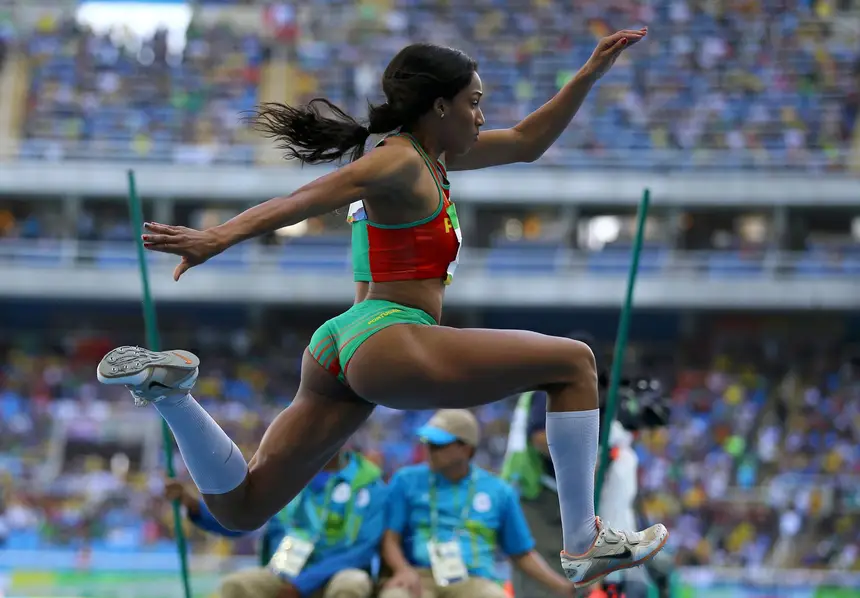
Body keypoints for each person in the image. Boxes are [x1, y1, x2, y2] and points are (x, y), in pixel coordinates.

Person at [96, 32, 668, 589]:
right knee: (574, 364)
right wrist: (217, 237)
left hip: (340, 345)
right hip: (390, 334)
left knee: (241, 509)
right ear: (438, 107)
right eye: (473, 104)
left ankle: (172, 394)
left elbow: (526, 141)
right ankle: (583, 542)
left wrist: (588, 75)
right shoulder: (400, 163)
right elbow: (305, 198)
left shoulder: (430, 158)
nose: (481, 117)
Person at [379, 409, 576, 598]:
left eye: (438, 445)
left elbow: (521, 553)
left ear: (466, 449)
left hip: (475, 580)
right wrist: (402, 570)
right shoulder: (405, 480)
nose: (428, 450)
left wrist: (563, 586)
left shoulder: (498, 491)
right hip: (419, 576)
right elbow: (390, 539)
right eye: (427, 442)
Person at [165, 449, 387, 598]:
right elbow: (243, 520)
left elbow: (363, 550)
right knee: (235, 586)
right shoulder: (283, 479)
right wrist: (194, 506)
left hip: (339, 574)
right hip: (284, 573)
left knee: (350, 585)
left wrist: (301, 585)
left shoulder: (369, 484)